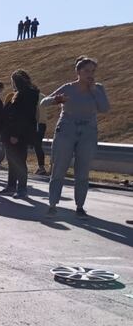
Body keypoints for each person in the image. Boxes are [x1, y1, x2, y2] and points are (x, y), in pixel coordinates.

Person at [41, 57, 110, 217]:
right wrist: (56, 100)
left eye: (92, 71)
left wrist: (94, 90)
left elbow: (105, 108)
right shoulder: (68, 87)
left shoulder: (98, 88)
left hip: (88, 131)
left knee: (83, 170)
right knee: (59, 167)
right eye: (86, 71)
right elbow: (44, 102)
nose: (90, 74)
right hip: (67, 129)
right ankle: (52, 204)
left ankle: (80, 206)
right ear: (78, 72)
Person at [0, 70, 40, 198]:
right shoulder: (21, 94)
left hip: (17, 134)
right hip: (12, 133)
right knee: (12, 161)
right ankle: (11, 186)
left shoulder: (26, 95)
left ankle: (21, 188)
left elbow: (23, 116)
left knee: (20, 162)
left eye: (13, 82)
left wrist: (15, 134)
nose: (12, 85)